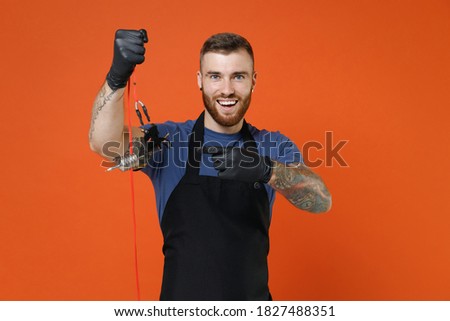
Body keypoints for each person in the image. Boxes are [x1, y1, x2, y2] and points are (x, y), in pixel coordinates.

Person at [89, 29, 332, 301]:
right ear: (200, 80)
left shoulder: (272, 145)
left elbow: (321, 200)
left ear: (253, 81)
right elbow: (103, 142)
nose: (227, 89)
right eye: (215, 76)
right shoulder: (169, 141)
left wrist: (267, 170)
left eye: (238, 76)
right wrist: (117, 77)